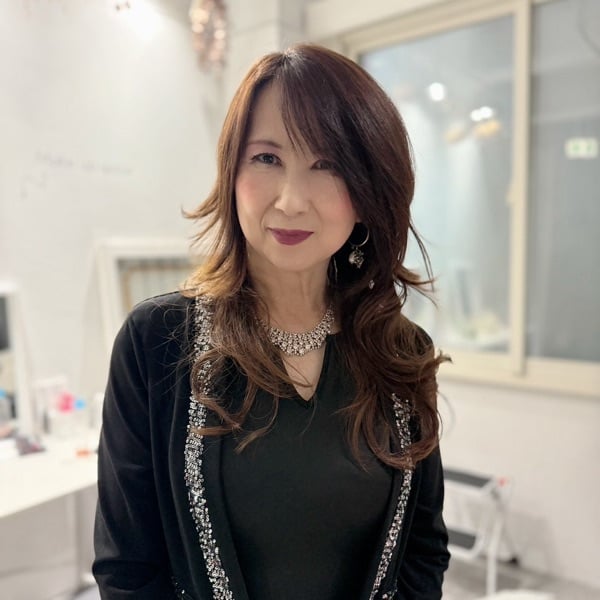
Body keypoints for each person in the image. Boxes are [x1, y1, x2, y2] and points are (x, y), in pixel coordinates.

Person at [93, 43, 450, 600]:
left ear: (368, 188)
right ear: (231, 170)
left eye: (328, 165)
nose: (290, 201)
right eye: (266, 158)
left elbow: (422, 550)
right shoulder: (158, 340)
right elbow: (128, 569)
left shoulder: (401, 352)